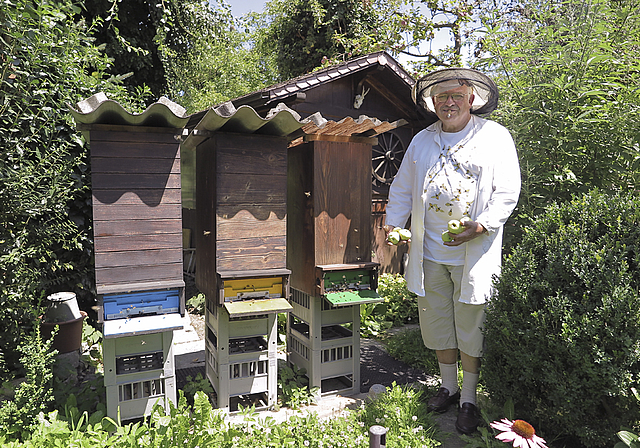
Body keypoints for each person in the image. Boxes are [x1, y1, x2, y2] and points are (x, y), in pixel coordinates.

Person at [383, 68, 521, 434]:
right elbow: (401, 188)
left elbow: (507, 191)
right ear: (433, 102)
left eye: (456, 95)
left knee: (471, 325)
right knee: (437, 321)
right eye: (441, 96)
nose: (448, 102)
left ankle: (470, 399)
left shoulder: (494, 137)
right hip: (430, 252)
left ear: (471, 98)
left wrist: (482, 224)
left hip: (473, 251)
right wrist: (393, 223)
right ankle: (448, 386)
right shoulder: (422, 141)